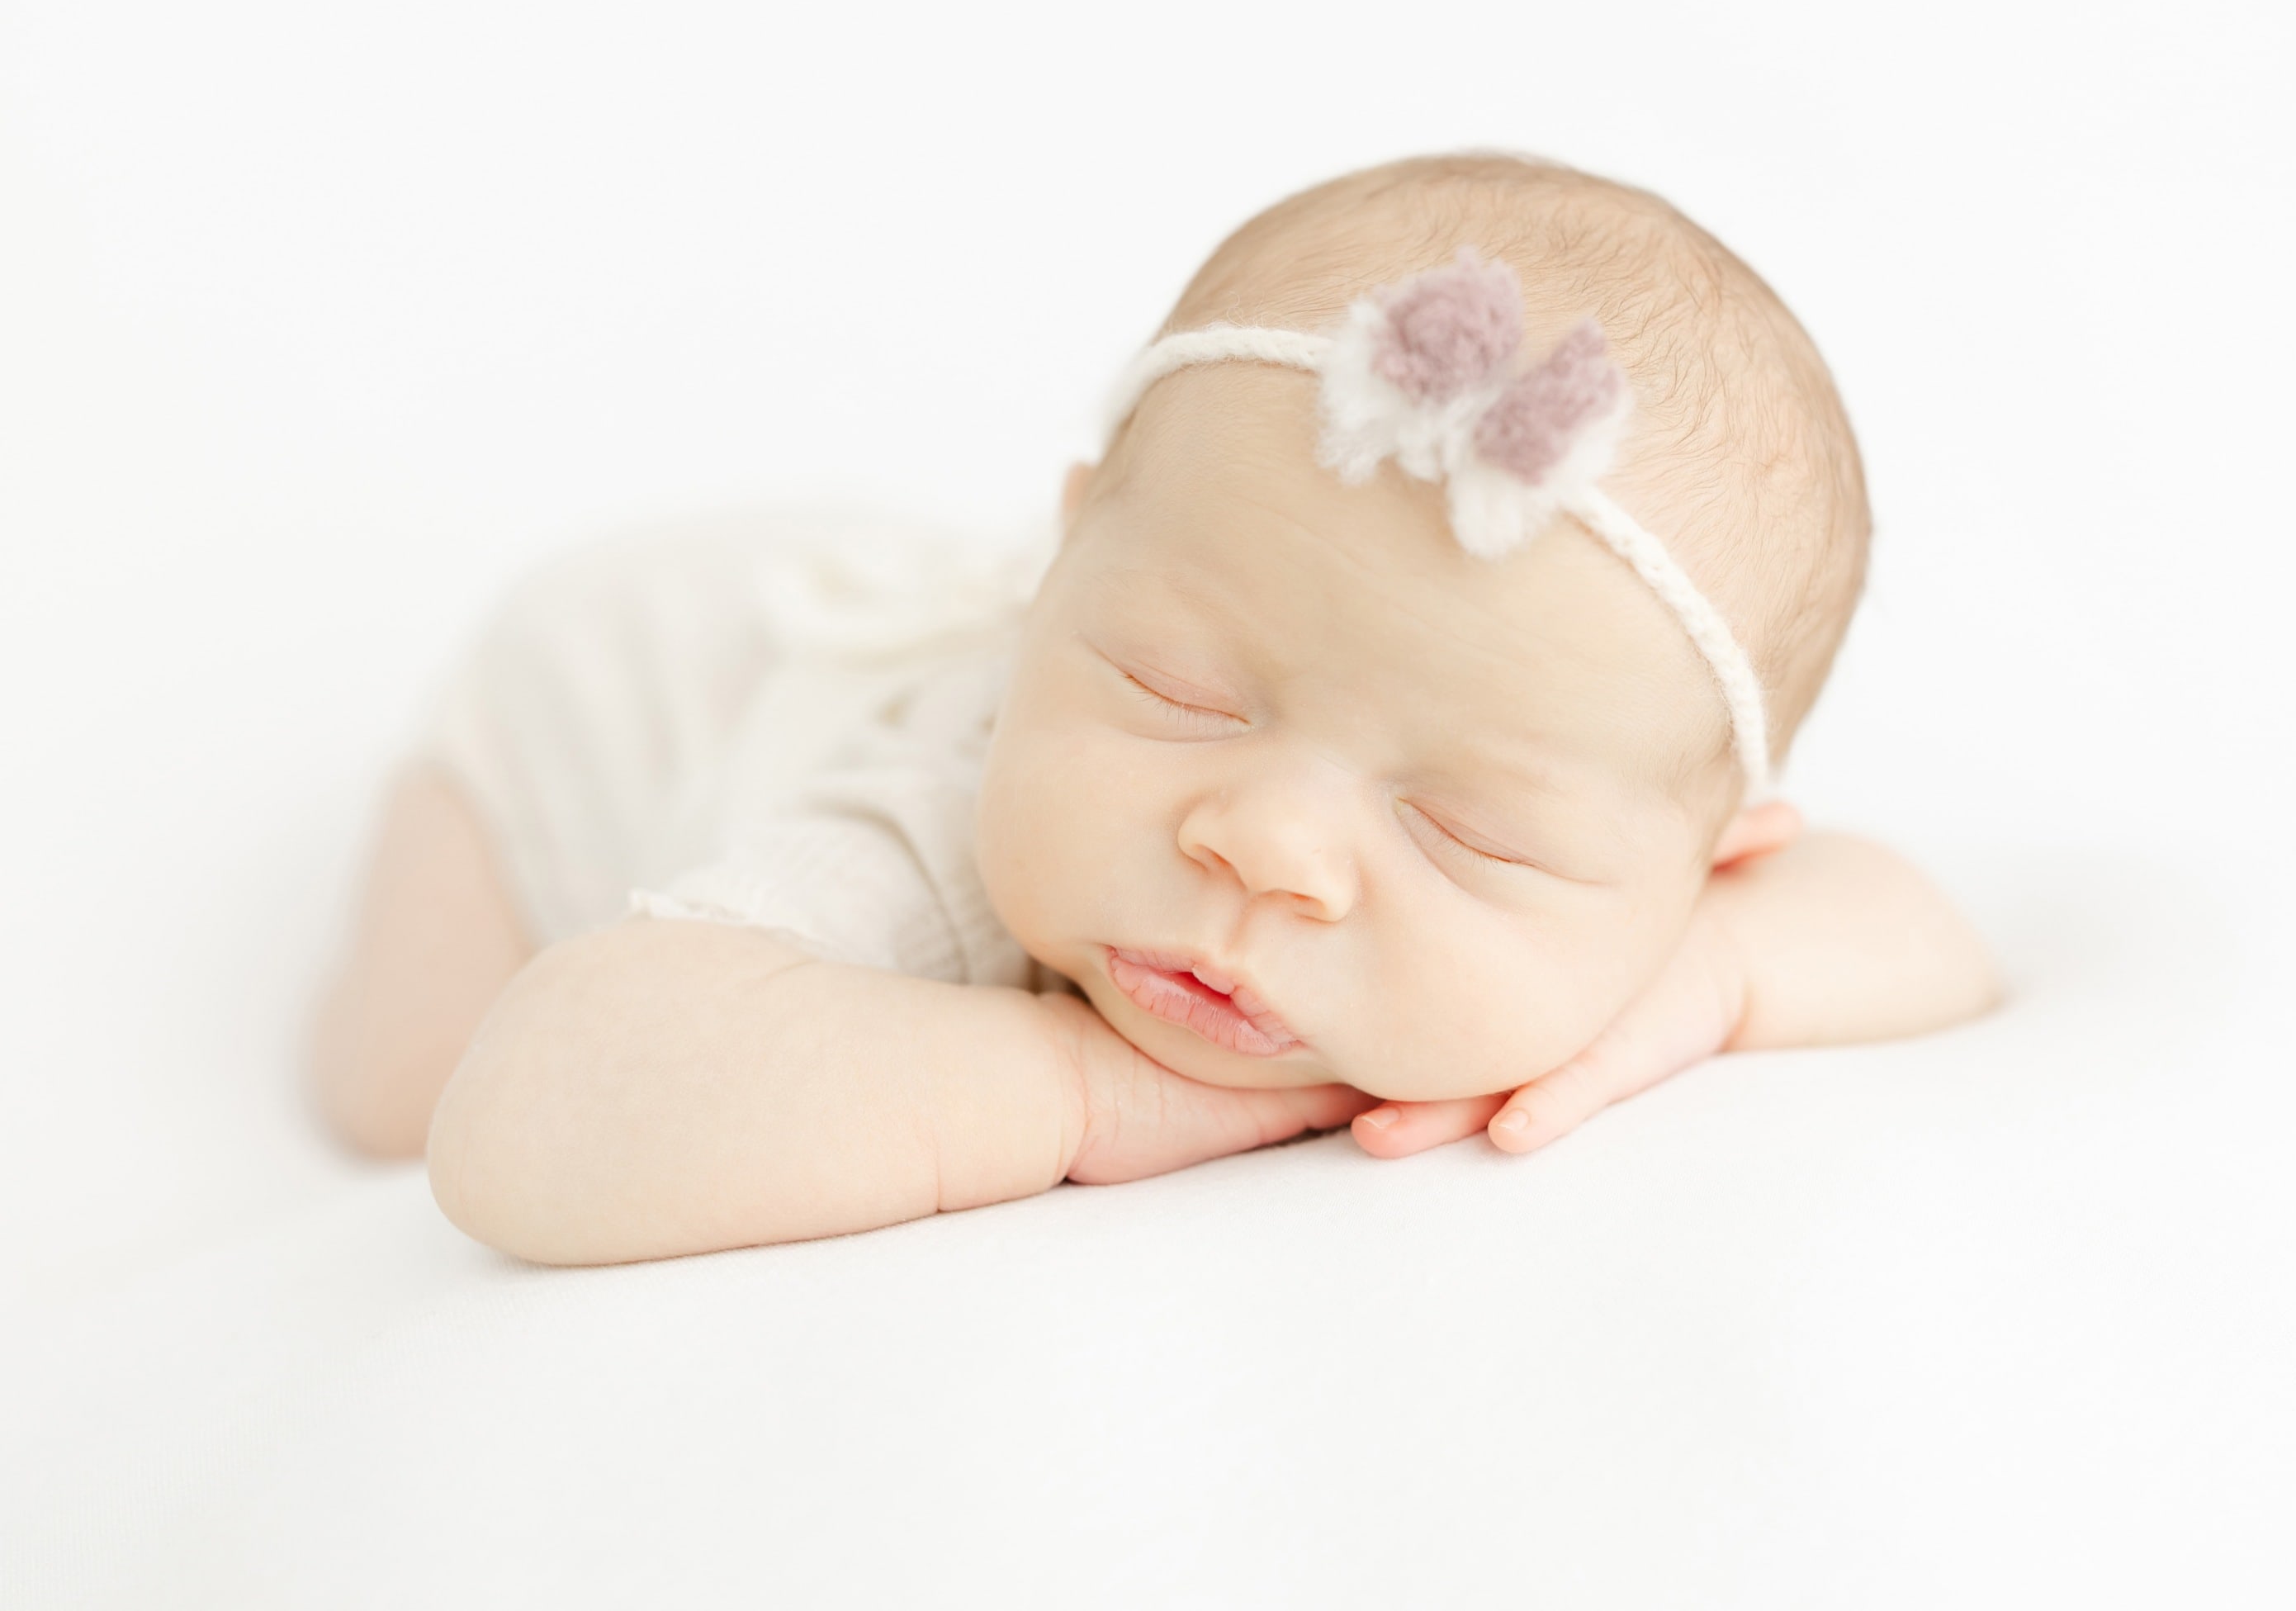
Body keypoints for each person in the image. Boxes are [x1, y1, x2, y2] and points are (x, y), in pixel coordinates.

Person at [313, 153, 2000, 1264]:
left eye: (1460, 827)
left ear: (1702, 857)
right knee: (387, 1099)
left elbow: (1924, 935)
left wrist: (1702, 977)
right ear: (1059, 589)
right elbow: (525, 1127)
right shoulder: (940, 829)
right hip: (613, 675)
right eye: (1176, 693)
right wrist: (1075, 1091)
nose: (1265, 841)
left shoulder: (1642, 901)